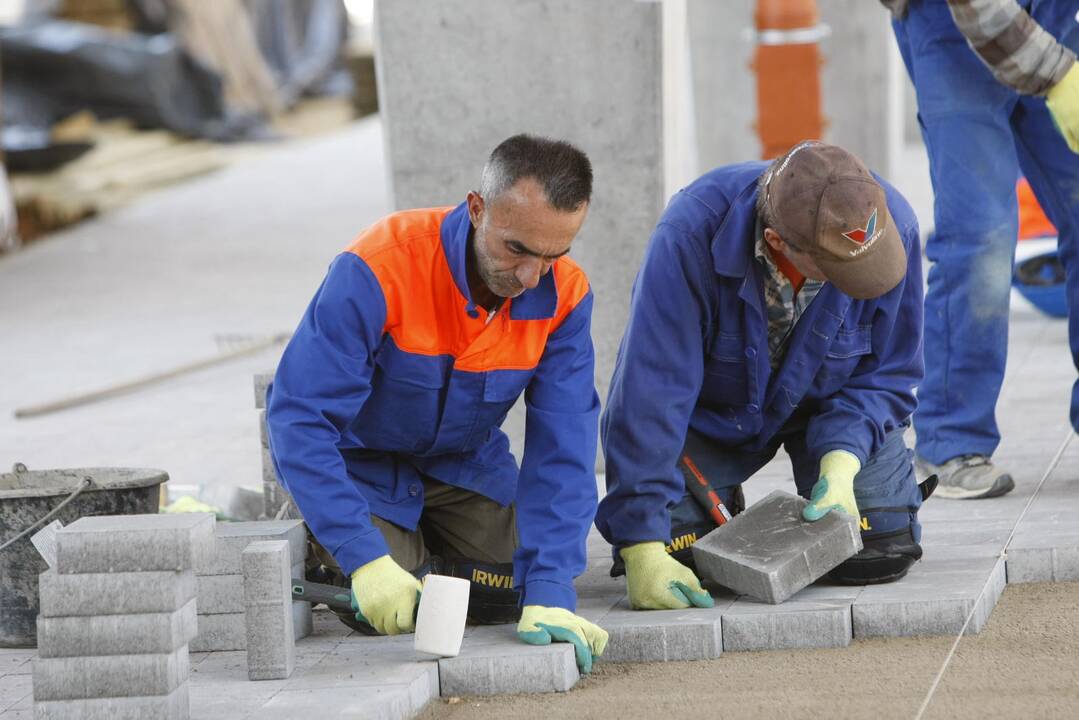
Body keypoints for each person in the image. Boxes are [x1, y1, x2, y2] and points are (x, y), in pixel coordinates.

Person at [266, 134, 608, 672]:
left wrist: (552, 589)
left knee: (515, 586)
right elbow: (298, 416)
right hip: (365, 465)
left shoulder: (565, 295)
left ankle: (424, 551)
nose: (529, 277)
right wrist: (362, 555)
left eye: (553, 255)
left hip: (463, 464)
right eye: (516, 248)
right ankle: (333, 533)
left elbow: (565, 445)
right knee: (393, 603)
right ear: (477, 209)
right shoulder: (380, 266)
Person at [595, 141, 932, 610]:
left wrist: (842, 463)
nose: (860, 279)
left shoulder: (891, 224)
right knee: (686, 560)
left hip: (830, 408)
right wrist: (640, 544)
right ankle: (710, 501)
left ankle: (843, 475)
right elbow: (650, 392)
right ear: (778, 244)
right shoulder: (689, 235)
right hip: (713, 419)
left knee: (877, 547)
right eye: (840, 270)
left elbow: (889, 373)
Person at [883, 0, 1079, 499]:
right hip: (953, 24)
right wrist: (1058, 76)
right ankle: (951, 440)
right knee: (981, 235)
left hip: (1058, 18)